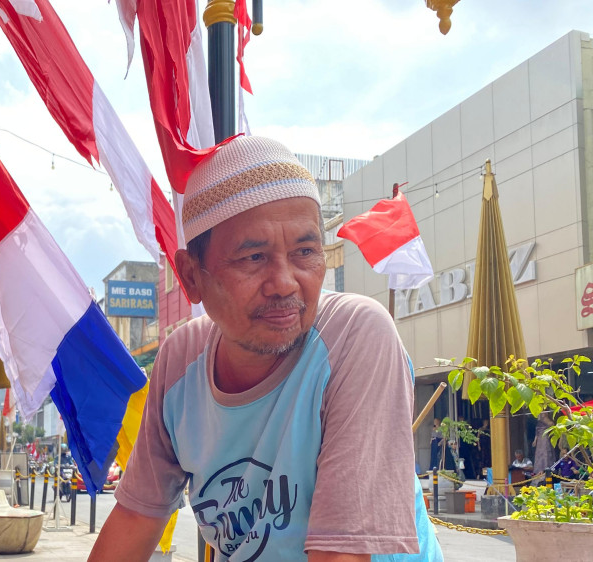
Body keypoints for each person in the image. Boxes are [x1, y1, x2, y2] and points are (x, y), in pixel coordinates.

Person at [90, 137, 441, 561]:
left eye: (305, 252)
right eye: (253, 257)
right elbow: (135, 519)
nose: (286, 283)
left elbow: (340, 555)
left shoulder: (356, 335)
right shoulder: (180, 361)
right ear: (190, 276)